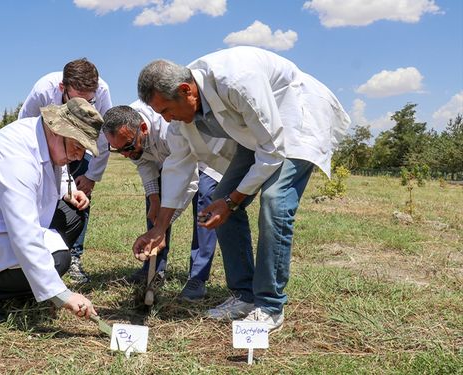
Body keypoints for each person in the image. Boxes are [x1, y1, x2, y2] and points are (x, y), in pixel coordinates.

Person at [133, 46, 351, 332]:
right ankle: (245, 296)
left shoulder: (236, 80)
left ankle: (270, 305)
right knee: (217, 201)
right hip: (258, 135)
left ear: (187, 90)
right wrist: (159, 228)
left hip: (296, 120)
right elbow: (178, 167)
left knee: (275, 202)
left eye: (166, 110)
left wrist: (232, 200)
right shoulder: (183, 111)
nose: (165, 119)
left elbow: (272, 152)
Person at [0, 98, 103, 322]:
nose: (79, 156)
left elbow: (58, 170)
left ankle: (19, 284)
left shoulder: (43, 136)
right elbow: (24, 233)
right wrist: (62, 295)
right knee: (58, 260)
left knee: (72, 216)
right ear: (57, 131)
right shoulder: (15, 157)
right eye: (77, 147)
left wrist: (68, 190)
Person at [102, 101, 235, 301]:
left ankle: (197, 277)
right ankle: (154, 268)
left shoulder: (168, 129)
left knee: (205, 200)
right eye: (118, 150)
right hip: (169, 159)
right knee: (155, 207)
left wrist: (162, 226)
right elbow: (144, 163)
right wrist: (154, 199)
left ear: (144, 129)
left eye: (128, 147)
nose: (125, 154)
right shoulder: (126, 132)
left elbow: (188, 182)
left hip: (203, 159)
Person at [18, 58, 113, 284]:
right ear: (62, 88)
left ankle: (73, 256)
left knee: (78, 198)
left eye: (89, 100)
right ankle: (36, 246)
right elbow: (24, 124)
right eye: (78, 99)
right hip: (45, 147)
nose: (85, 105)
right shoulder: (43, 89)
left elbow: (103, 136)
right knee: (40, 193)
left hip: (82, 146)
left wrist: (91, 177)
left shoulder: (103, 91)